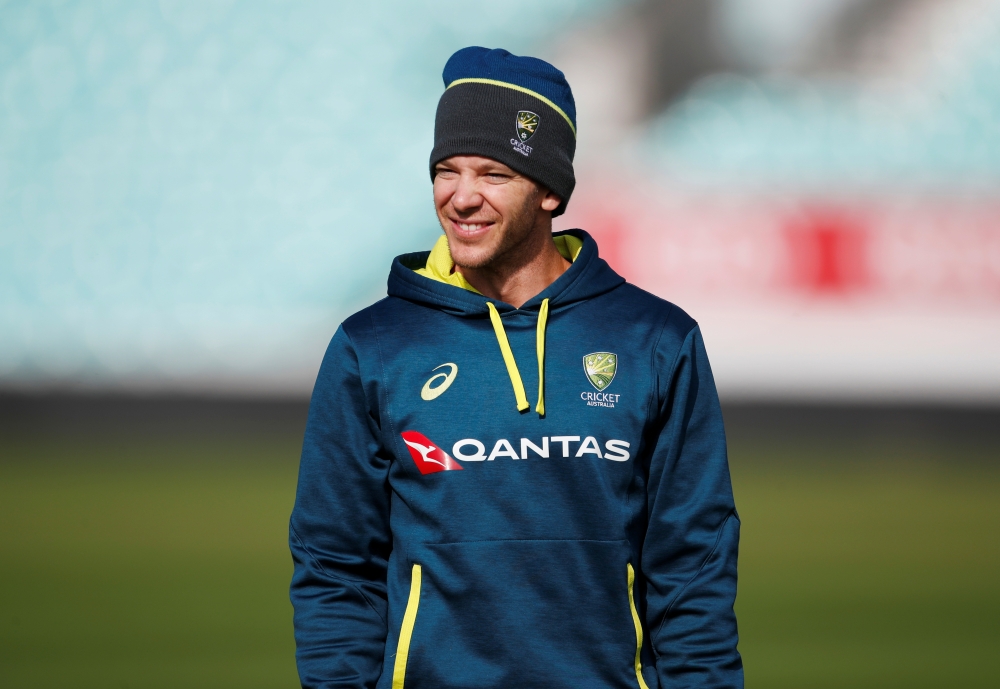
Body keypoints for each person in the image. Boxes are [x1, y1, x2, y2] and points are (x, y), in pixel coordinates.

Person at [289, 46, 742, 689]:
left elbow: (693, 566)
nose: (461, 197)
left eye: (493, 174)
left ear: (550, 191)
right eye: (447, 170)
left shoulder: (655, 341)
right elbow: (334, 566)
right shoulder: (374, 347)